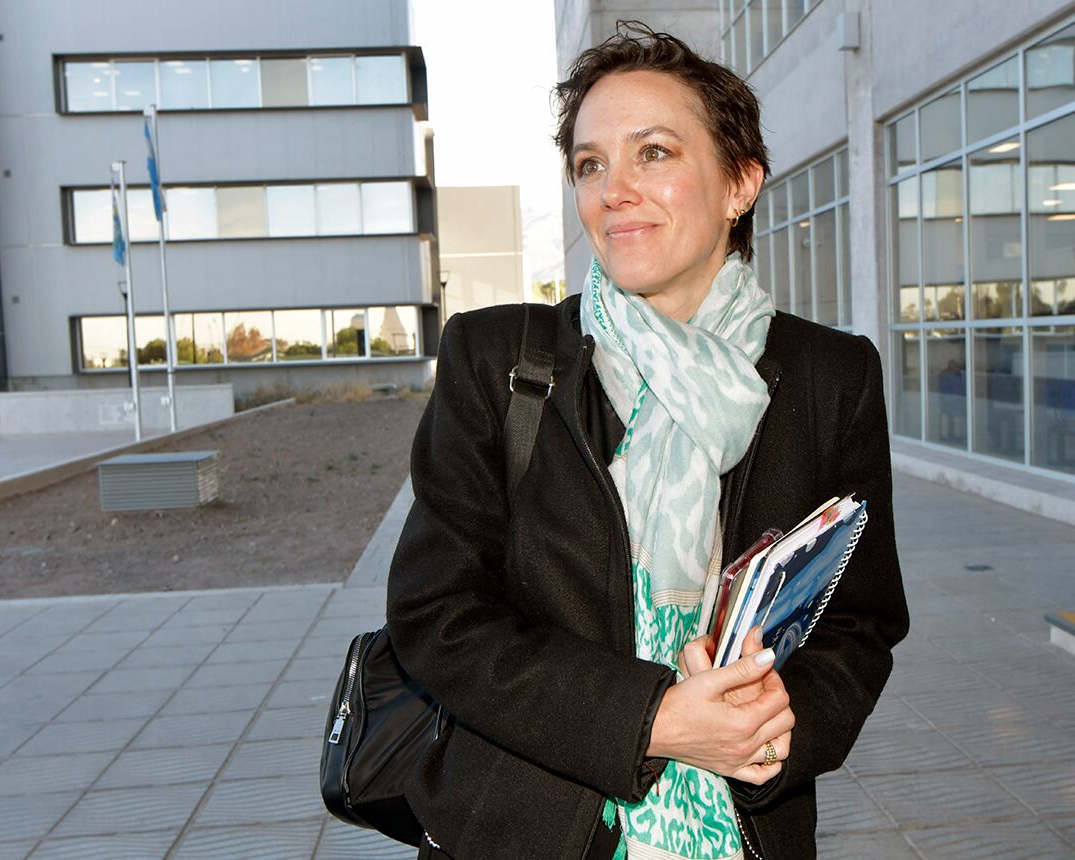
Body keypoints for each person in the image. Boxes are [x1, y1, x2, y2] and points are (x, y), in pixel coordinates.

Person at [386, 21, 909, 860]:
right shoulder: (498, 361)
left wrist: (773, 734)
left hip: (741, 831)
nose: (612, 190)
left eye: (653, 153)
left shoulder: (829, 376)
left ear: (740, 182)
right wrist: (657, 720)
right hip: (525, 828)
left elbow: (859, 622)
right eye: (590, 164)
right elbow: (436, 615)